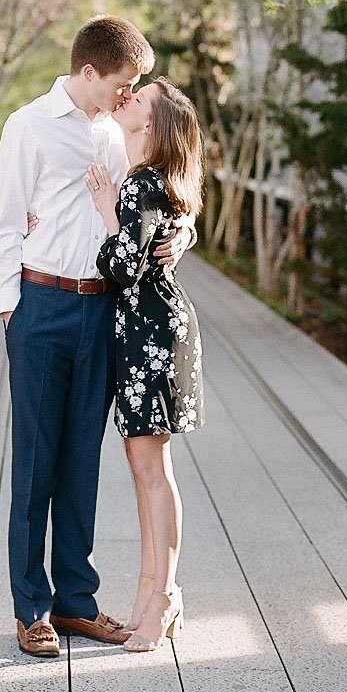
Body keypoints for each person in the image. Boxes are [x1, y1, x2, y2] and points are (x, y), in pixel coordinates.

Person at [0, 17, 194, 659]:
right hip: (41, 305)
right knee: (36, 460)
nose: (129, 94)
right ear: (89, 74)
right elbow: (4, 225)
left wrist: (180, 238)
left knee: (81, 461)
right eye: (123, 81)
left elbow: (163, 199)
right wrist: (10, 309)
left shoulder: (119, 132)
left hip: (104, 313)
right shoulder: (28, 126)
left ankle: (76, 603)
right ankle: (32, 609)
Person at [85, 76, 204, 653]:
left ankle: (164, 597)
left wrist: (108, 213)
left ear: (153, 126)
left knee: (153, 472)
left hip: (153, 332)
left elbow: (122, 266)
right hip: (149, 331)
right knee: (145, 469)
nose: (128, 97)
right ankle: (149, 593)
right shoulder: (144, 179)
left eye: (142, 99)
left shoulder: (138, 186)